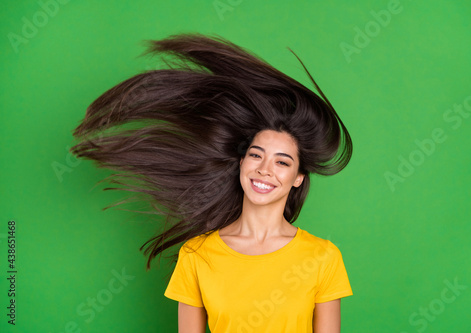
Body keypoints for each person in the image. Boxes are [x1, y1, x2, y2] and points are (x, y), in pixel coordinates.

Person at [71, 32, 353, 332]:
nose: (265, 169)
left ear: (297, 178)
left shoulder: (322, 257)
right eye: (256, 155)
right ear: (242, 162)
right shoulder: (197, 255)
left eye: (282, 162)